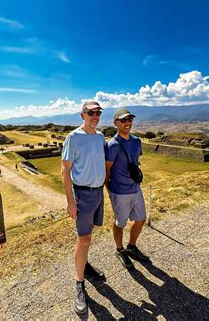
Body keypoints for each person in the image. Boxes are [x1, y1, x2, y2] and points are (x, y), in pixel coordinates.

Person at [62, 100, 106, 315]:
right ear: (82, 115)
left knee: (88, 235)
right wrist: (71, 202)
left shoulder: (99, 137)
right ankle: (79, 283)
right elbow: (65, 172)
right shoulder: (74, 137)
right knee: (84, 238)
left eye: (98, 112)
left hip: (98, 193)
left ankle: (85, 265)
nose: (95, 115)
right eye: (91, 112)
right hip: (82, 194)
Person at [105, 108, 149, 270]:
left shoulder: (137, 141)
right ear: (116, 123)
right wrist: (110, 190)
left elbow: (136, 161)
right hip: (120, 192)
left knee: (141, 219)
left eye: (129, 119)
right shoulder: (112, 145)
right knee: (120, 223)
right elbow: (107, 170)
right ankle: (119, 249)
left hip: (135, 189)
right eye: (123, 120)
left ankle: (131, 246)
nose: (127, 123)